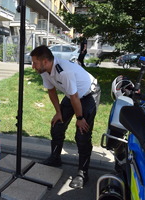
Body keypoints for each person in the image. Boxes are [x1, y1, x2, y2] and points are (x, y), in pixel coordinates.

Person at [30, 45, 101, 189]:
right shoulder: (44, 71)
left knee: (82, 134)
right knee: (57, 125)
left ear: (45, 61)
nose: (33, 66)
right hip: (72, 95)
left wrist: (80, 119)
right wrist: (58, 112)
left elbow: (75, 97)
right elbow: (51, 91)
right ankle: (55, 158)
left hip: (88, 95)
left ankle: (82, 173)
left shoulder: (64, 71)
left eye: (34, 63)